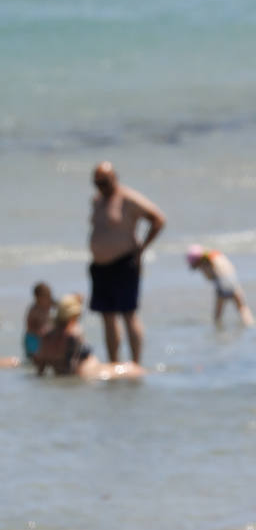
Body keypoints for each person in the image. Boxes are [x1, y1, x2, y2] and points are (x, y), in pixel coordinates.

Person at [88, 161, 166, 365]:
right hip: (100, 266)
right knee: (106, 316)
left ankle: (135, 363)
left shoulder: (129, 198)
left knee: (128, 314)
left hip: (124, 263)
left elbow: (158, 220)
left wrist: (142, 248)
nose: (100, 186)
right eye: (97, 182)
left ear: (114, 178)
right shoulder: (98, 200)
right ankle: (114, 362)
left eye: (104, 182)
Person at [33, 293, 143, 380]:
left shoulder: (46, 335)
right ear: (74, 315)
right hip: (92, 373)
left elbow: (40, 365)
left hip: (78, 374)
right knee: (134, 369)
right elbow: (72, 365)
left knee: (130, 369)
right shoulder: (73, 333)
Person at [186, 246, 254, 326]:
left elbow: (209, 277)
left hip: (222, 284)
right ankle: (250, 325)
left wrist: (206, 272)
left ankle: (218, 329)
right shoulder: (217, 254)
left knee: (217, 314)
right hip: (233, 281)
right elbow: (231, 267)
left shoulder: (206, 262)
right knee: (242, 308)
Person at [23, 282, 55, 361]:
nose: (49, 299)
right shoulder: (34, 311)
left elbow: (61, 306)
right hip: (33, 339)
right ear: (37, 297)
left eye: (49, 296)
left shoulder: (47, 304)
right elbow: (34, 328)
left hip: (43, 339)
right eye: (46, 296)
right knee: (34, 360)